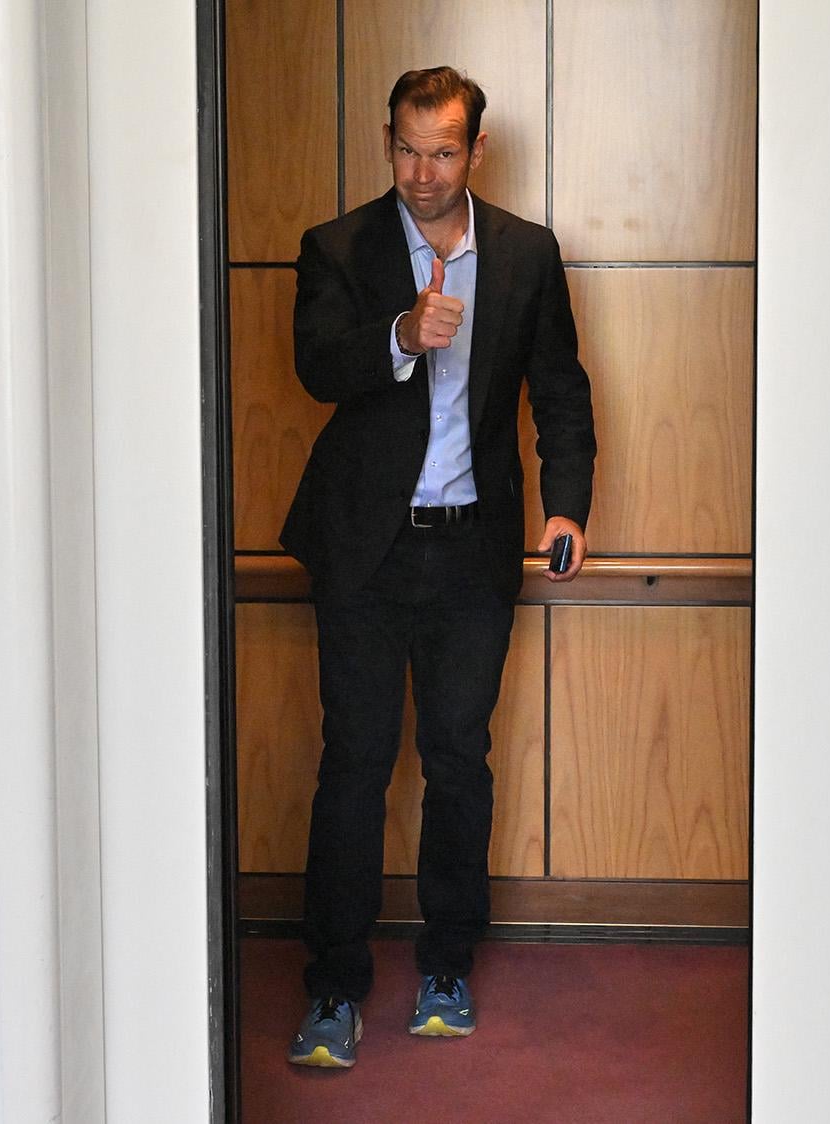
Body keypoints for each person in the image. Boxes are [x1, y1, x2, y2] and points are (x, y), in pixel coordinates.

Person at [280, 66, 596, 1069]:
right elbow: (315, 366)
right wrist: (399, 336)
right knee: (355, 762)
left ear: (475, 150)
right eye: (406, 150)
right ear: (389, 142)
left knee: (459, 760)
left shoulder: (524, 253)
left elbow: (560, 386)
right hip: (364, 551)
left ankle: (446, 965)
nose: (421, 173)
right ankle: (333, 984)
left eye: (442, 152)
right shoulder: (337, 247)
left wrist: (566, 503)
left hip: (470, 549)